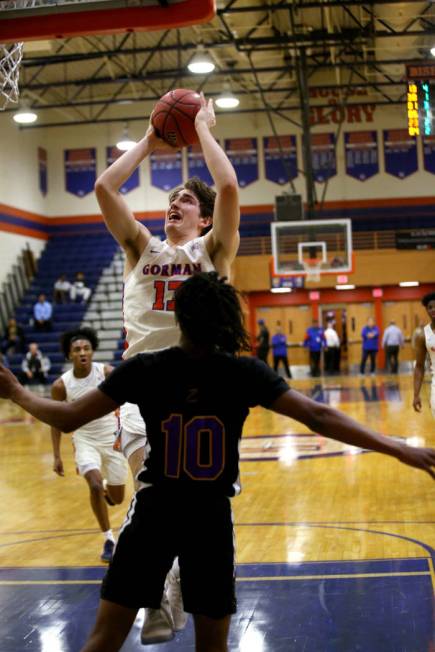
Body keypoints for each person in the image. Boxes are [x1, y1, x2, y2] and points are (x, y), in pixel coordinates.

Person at [0, 272, 434, 652]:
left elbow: (69, 416)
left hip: (154, 514)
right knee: (213, 647)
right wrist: (399, 448)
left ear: (178, 317)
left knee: (103, 640)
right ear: (227, 319)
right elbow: (319, 416)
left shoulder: (146, 368)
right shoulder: (242, 372)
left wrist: (17, 391)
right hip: (209, 519)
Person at [94, 93, 239, 642]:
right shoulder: (140, 248)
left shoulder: (212, 253)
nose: (173, 204)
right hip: (140, 390)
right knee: (150, 494)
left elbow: (227, 188)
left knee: (189, 507)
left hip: (203, 392)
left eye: (184, 200)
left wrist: (201, 129)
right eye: (169, 200)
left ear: (202, 217)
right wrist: (150, 144)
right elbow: (106, 189)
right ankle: (160, 589)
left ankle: (177, 580)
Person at [413, 292, 435, 417]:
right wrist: (416, 395)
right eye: (430, 307)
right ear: (426, 310)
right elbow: (419, 366)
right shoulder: (423, 335)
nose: (433, 309)